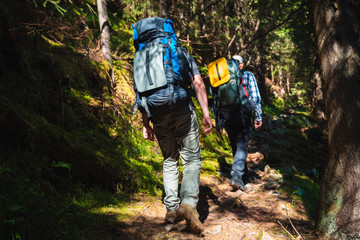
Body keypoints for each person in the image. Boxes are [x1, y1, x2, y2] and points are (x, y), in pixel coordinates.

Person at [141, 54, 212, 234]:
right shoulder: (180, 52)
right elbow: (198, 82)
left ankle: (171, 210)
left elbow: (140, 90)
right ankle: (188, 204)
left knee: (169, 159)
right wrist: (206, 114)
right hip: (182, 110)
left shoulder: (143, 56)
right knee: (192, 160)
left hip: (157, 113)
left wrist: (145, 123)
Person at [223, 55, 262, 192]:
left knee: (235, 144)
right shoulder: (248, 75)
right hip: (243, 114)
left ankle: (243, 176)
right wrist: (258, 116)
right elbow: (255, 97)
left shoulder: (223, 76)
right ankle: (236, 176)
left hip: (226, 114)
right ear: (241, 64)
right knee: (242, 146)